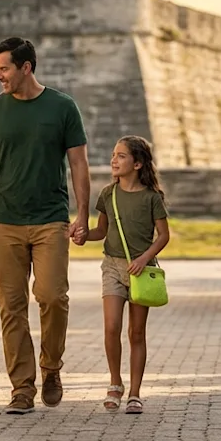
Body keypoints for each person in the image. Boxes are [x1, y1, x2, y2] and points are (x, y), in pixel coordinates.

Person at [0, 37, 91, 415]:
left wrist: (83, 215)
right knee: (12, 307)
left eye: (4, 68)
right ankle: (22, 387)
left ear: (26, 68)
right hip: (5, 221)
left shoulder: (63, 107)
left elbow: (79, 164)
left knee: (53, 296)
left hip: (51, 219)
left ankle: (51, 367)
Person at [74, 136, 170, 415]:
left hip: (143, 271)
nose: (114, 160)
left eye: (121, 156)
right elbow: (100, 232)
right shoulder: (108, 194)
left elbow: (163, 236)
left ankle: (135, 393)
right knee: (112, 327)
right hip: (112, 268)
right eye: (114, 155)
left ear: (138, 163)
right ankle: (115, 383)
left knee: (136, 333)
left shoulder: (152, 198)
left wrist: (143, 259)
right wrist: (82, 235)